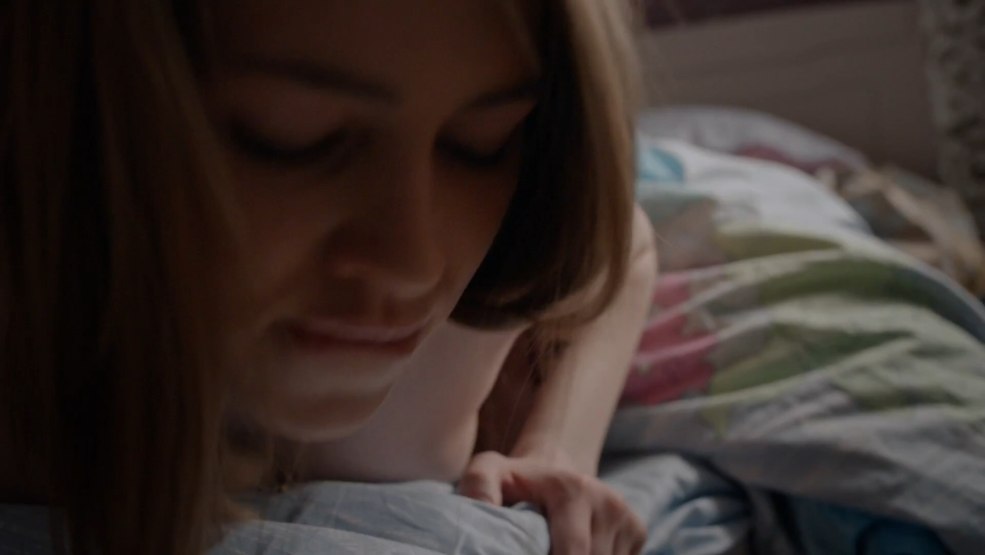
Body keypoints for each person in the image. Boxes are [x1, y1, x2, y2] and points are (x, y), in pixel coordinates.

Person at [0, 0, 655, 554]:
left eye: (480, 144)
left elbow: (622, 242)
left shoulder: (484, 292)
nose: (413, 268)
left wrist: (557, 447)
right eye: (293, 138)